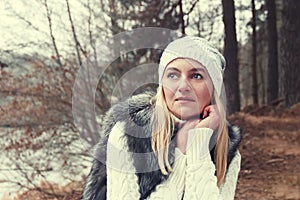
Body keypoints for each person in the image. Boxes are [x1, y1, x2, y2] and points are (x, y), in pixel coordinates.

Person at [81, 36, 242, 200]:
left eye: (196, 76)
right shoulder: (128, 132)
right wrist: (180, 154)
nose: (183, 86)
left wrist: (198, 146)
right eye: (173, 75)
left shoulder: (227, 148)